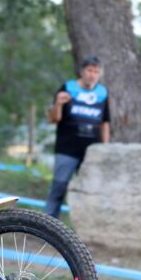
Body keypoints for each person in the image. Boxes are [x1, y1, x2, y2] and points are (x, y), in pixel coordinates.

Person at [44, 56, 111, 219]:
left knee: (91, 189)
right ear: (82, 72)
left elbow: (105, 122)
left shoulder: (102, 93)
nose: (92, 75)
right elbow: (53, 119)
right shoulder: (68, 88)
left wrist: (105, 148)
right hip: (67, 148)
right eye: (89, 70)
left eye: (96, 71)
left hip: (91, 151)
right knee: (59, 186)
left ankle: (85, 227)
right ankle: (47, 223)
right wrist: (58, 104)